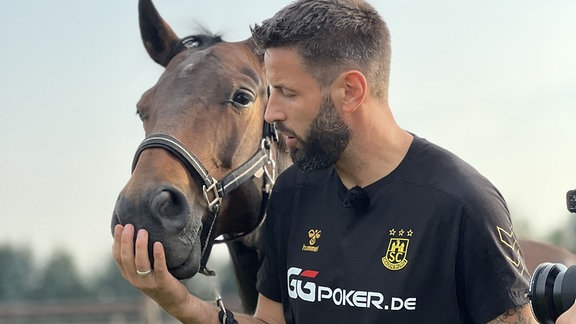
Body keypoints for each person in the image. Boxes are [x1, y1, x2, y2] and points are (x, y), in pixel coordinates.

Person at [113, 0, 545, 322]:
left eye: (288, 93)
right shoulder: (292, 194)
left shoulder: (463, 206)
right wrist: (179, 301)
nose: (270, 112)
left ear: (350, 91)